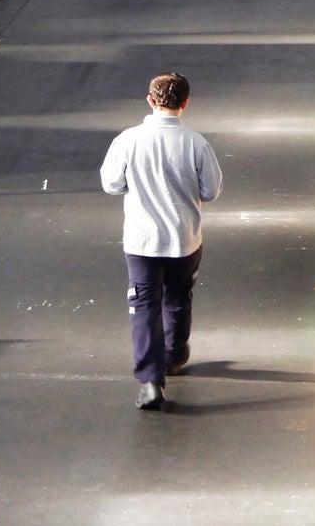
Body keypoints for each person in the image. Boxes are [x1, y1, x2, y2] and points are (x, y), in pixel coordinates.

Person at [99, 71, 223, 413]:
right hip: (184, 238)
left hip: (141, 242)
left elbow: (111, 184)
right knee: (178, 298)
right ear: (185, 103)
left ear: (150, 101)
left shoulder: (127, 140)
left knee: (143, 306)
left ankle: (151, 381)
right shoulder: (196, 142)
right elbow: (211, 191)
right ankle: (173, 356)